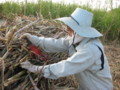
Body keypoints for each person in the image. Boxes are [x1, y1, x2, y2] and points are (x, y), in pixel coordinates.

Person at [20, 8, 113, 90]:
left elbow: (66, 66)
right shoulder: (77, 40)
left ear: (79, 31)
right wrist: (34, 39)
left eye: (70, 27)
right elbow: (55, 43)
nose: (67, 29)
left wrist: (36, 69)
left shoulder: (91, 49)